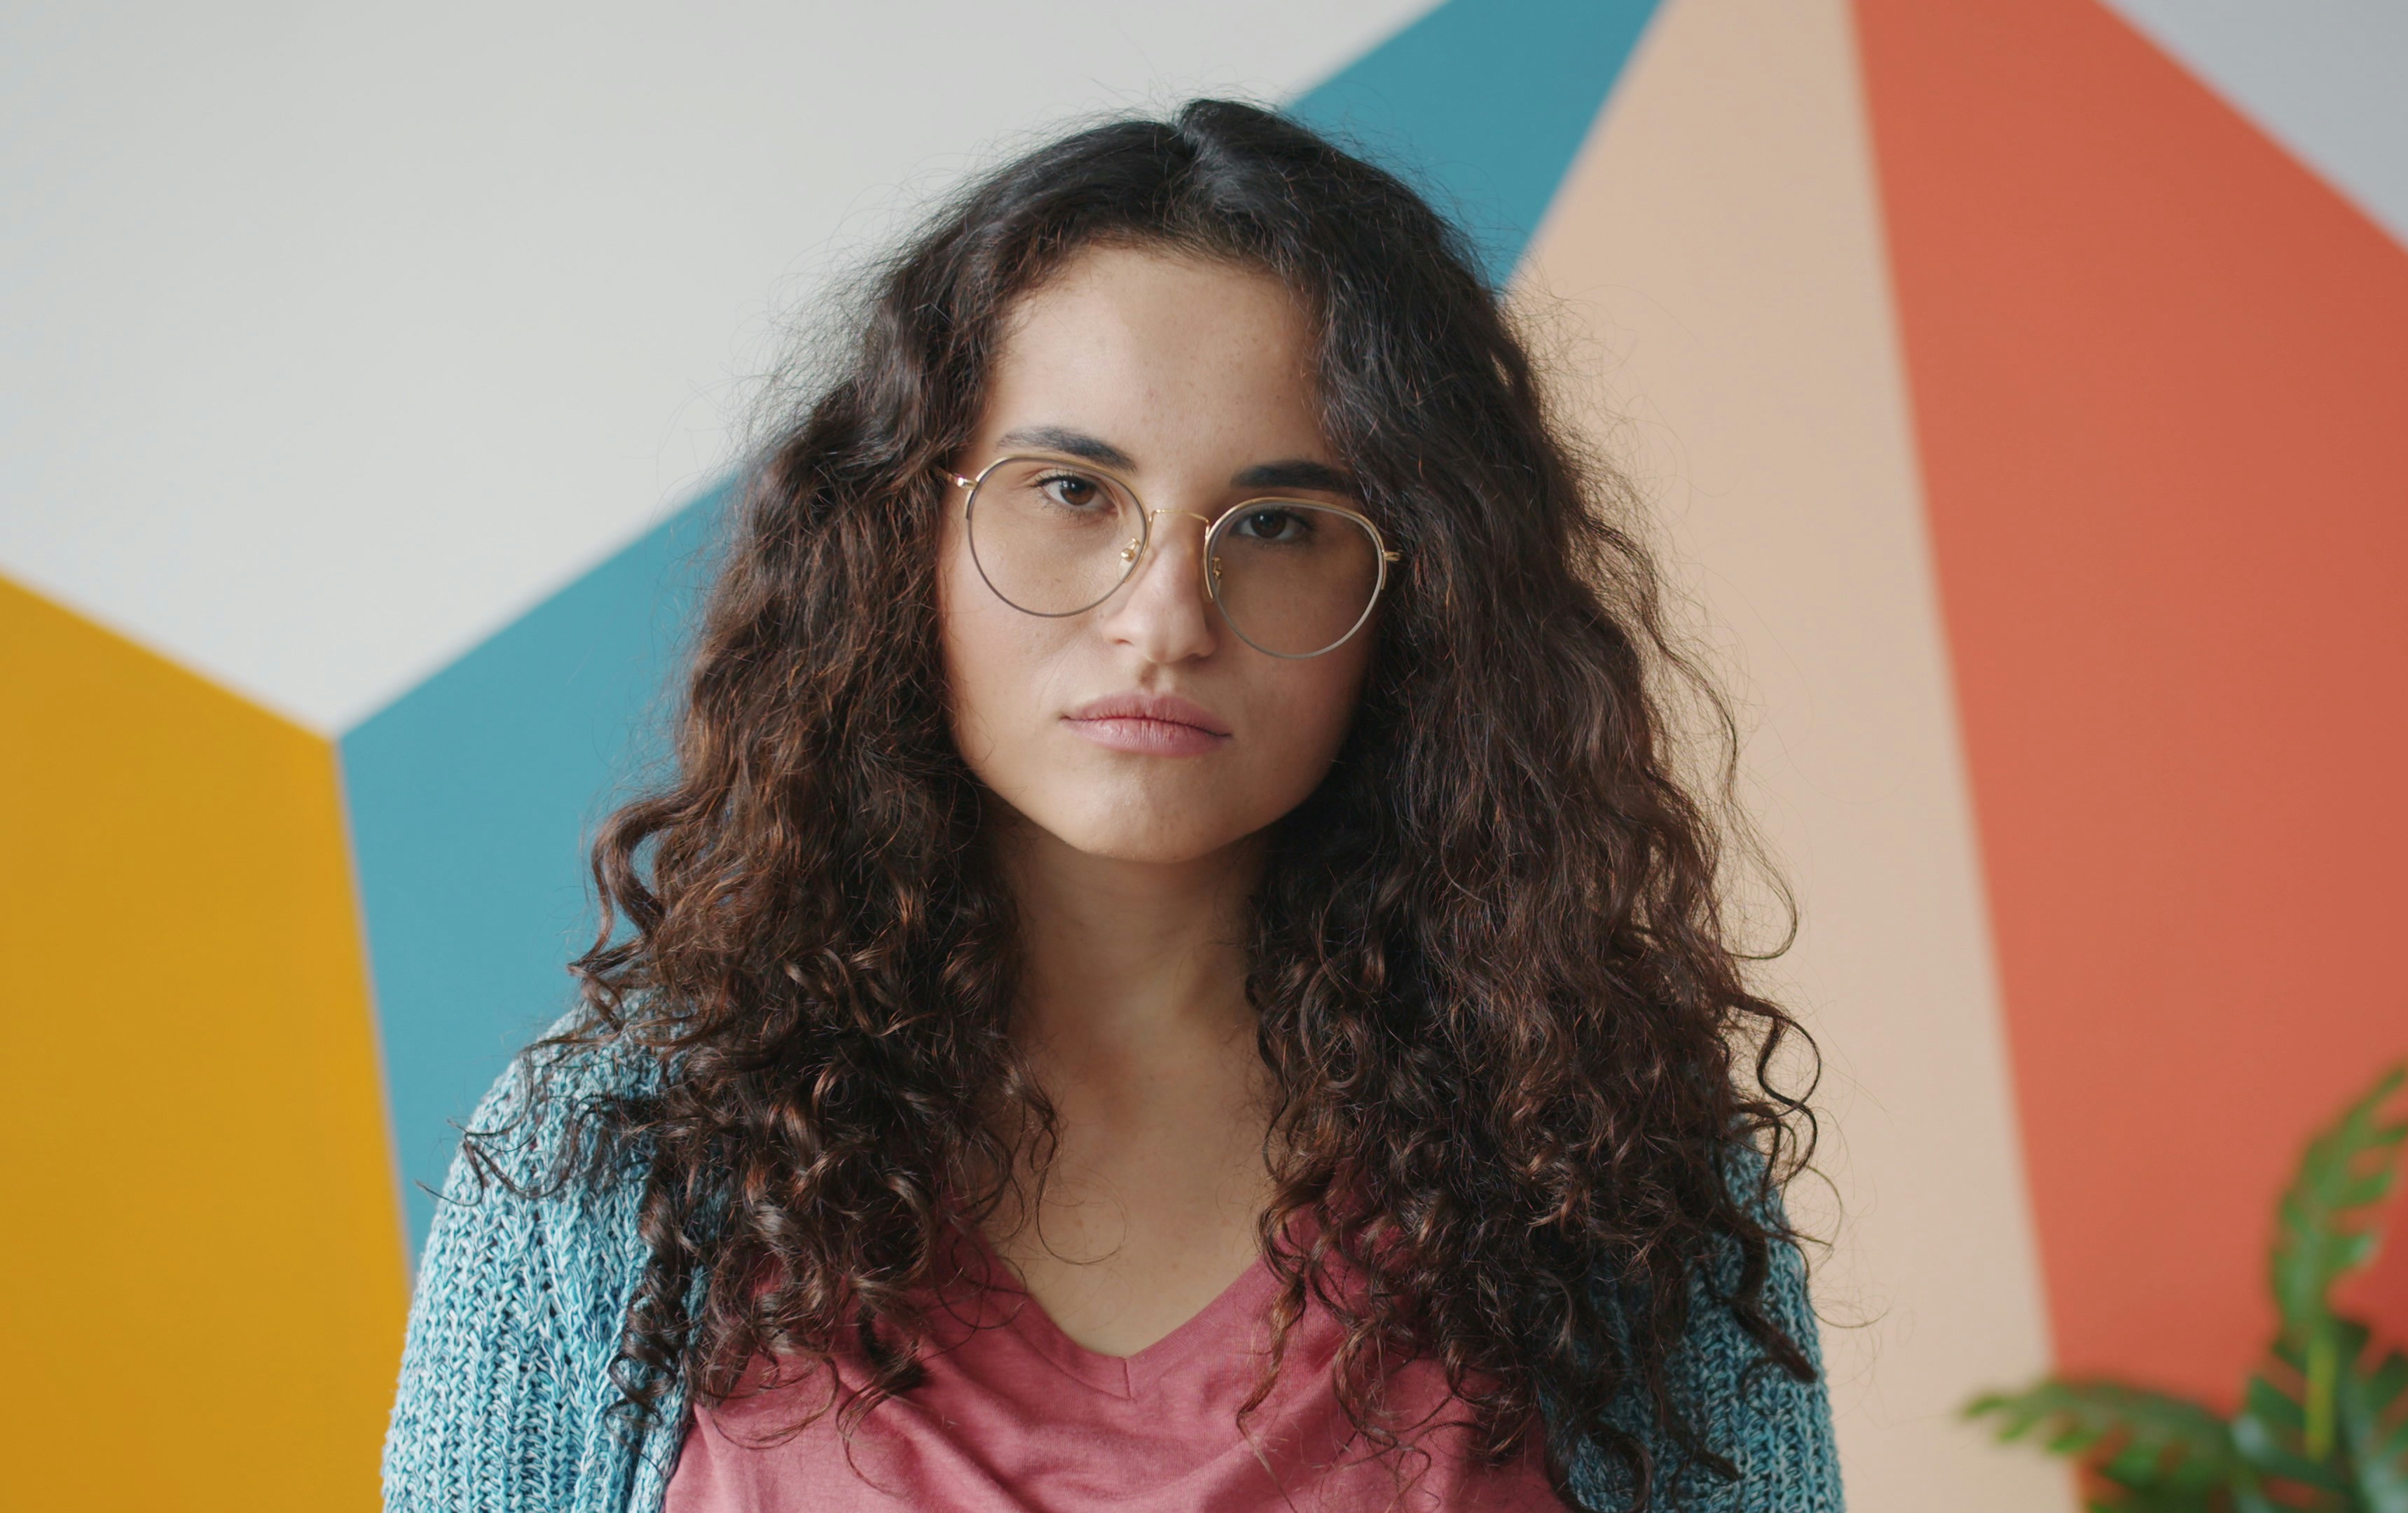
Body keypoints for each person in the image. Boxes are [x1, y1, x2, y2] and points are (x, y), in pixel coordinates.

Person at [383, 99, 1843, 1513]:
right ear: (912, 531)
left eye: (1277, 525)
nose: (1164, 619)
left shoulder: (1603, 1176)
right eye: (1073, 490)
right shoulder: (627, 1154)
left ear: (1421, 597)